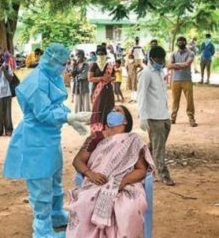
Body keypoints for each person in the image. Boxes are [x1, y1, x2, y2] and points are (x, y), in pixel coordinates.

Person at [3, 43, 91, 238]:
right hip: (35, 140)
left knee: (54, 178)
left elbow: (56, 104)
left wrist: (69, 118)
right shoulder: (35, 81)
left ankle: (56, 214)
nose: (65, 67)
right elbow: (43, 112)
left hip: (50, 137)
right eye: (63, 63)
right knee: (41, 184)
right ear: (52, 60)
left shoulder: (51, 76)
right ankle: (42, 229)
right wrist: (68, 118)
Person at [67, 107, 154, 238]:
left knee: (126, 208)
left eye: (118, 110)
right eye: (112, 110)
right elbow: (78, 161)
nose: (113, 111)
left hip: (125, 183)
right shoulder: (96, 137)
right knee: (84, 203)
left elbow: (141, 170)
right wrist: (90, 174)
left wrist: (122, 182)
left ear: (125, 121)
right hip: (96, 182)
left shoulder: (134, 140)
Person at [138, 46, 175, 186]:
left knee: (155, 146)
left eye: (162, 58)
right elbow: (141, 95)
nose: (161, 61)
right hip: (153, 117)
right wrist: (143, 116)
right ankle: (163, 174)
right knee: (159, 148)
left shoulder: (160, 72)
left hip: (164, 115)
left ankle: (141, 164)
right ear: (152, 59)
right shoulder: (146, 73)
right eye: (158, 59)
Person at [168, 36, 197, 127]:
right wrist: (181, 65)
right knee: (175, 101)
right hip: (175, 80)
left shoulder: (191, 53)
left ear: (185, 42)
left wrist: (175, 65)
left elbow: (187, 64)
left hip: (187, 80)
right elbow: (169, 65)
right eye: (179, 41)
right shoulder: (173, 53)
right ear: (177, 43)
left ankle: (191, 119)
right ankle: (173, 118)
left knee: (189, 100)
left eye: (183, 41)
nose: (181, 42)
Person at [88, 45, 115, 132]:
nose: (101, 56)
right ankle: (97, 128)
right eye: (99, 54)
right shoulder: (93, 65)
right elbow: (90, 78)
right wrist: (101, 78)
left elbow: (114, 77)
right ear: (96, 55)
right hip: (98, 91)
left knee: (109, 107)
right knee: (98, 108)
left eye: (102, 54)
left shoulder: (109, 65)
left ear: (105, 55)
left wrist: (109, 78)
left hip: (108, 91)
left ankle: (107, 126)